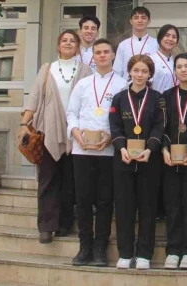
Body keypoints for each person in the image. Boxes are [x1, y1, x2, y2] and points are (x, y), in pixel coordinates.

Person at [19, 30, 92, 245]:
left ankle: (64, 224)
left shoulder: (86, 70)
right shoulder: (47, 69)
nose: (68, 43)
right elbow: (34, 98)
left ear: (78, 47)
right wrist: (24, 124)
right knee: (48, 179)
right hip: (48, 131)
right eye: (64, 40)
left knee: (70, 182)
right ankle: (46, 226)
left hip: (76, 133)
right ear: (58, 46)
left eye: (73, 41)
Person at [65, 38, 128, 266]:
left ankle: (101, 248)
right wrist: (76, 133)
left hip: (108, 151)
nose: (102, 56)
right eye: (98, 52)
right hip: (82, 151)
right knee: (83, 200)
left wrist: (111, 137)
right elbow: (71, 113)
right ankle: (85, 247)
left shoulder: (122, 85)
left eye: (106, 52)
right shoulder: (83, 84)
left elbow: (123, 118)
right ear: (93, 57)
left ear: (113, 55)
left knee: (104, 201)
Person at [109, 54, 165, 270]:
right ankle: (125, 253)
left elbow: (159, 126)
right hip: (123, 160)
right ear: (129, 72)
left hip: (149, 161)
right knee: (124, 208)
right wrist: (122, 148)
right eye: (136, 70)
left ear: (150, 74)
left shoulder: (158, 98)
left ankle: (144, 254)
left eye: (144, 71)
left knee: (147, 208)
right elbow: (115, 126)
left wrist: (150, 149)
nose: (140, 75)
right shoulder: (119, 98)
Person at [161, 53, 187, 270]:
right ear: (175, 71)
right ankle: (172, 250)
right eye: (179, 66)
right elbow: (161, 126)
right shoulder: (166, 96)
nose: (183, 70)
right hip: (170, 161)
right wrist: (164, 149)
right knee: (172, 207)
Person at [113, 7, 158, 80]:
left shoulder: (156, 44)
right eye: (136, 18)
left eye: (143, 18)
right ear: (131, 21)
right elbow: (117, 71)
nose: (139, 21)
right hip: (127, 84)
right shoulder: (123, 45)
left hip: (150, 84)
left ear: (149, 21)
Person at [149, 24, 180, 94]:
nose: (170, 39)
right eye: (167, 35)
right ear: (160, 38)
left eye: (174, 37)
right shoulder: (150, 60)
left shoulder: (176, 62)